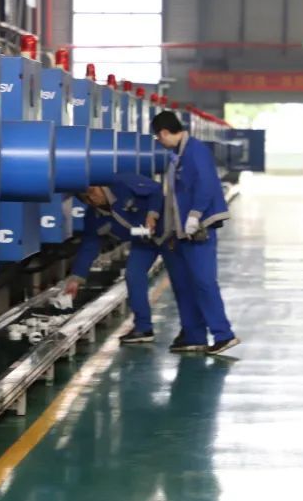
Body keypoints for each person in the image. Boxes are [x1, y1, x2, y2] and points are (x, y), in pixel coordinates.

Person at [64, 173, 209, 350]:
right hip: (144, 243)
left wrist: (152, 214)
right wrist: (76, 278)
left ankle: (193, 333)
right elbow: (89, 246)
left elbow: (155, 190)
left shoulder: (121, 182)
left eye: (92, 192)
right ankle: (143, 328)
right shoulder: (94, 217)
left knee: (181, 282)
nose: (92, 199)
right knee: (133, 276)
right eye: (85, 198)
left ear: (100, 186)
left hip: (168, 234)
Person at [151, 110, 239, 355]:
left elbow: (207, 183)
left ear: (164, 132)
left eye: (158, 137)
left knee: (203, 282)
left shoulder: (195, 150)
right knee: (184, 284)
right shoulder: (177, 155)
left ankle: (223, 334)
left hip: (198, 229)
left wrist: (195, 214)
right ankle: (194, 334)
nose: (159, 142)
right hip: (181, 232)